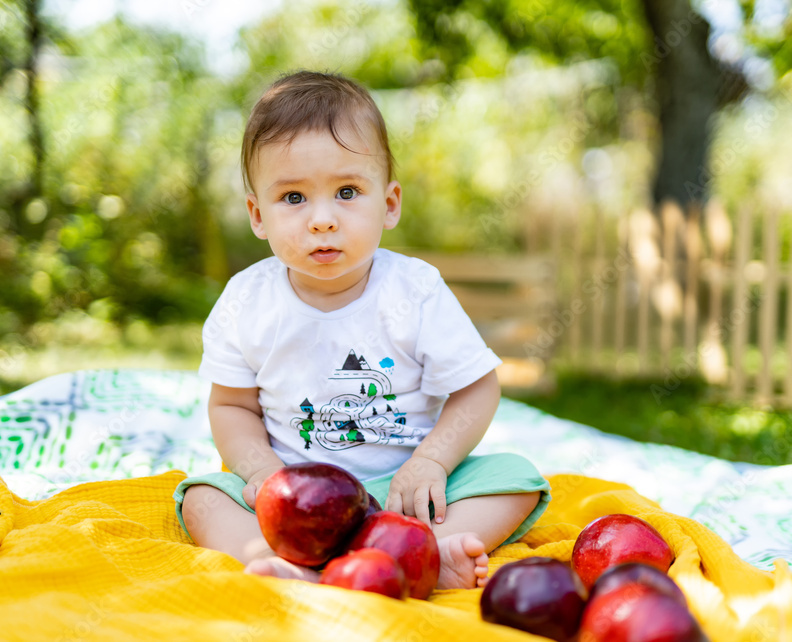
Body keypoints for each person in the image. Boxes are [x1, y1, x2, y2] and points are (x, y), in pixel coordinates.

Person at [173, 70, 550, 590]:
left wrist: (432, 462)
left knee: (514, 478)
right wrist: (260, 472)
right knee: (201, 497)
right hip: (295, 500)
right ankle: (278, 561)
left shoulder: (415, 291)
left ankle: (428, 555)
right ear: (258, 215)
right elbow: (232, 406)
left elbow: (477, 387)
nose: (322, 219)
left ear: (389, 204)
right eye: (294, 199)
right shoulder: (247, 300)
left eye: (347, 191)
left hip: (405, 493)